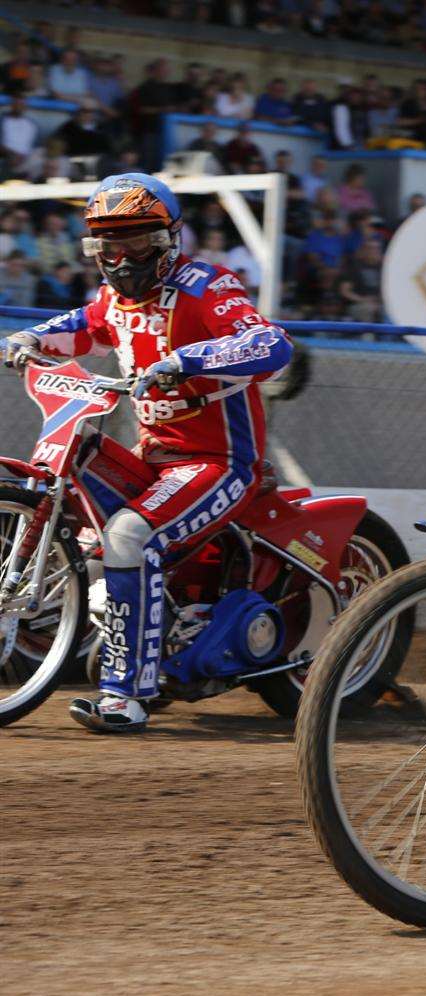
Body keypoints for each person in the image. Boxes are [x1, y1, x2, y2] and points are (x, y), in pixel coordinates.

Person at [2, 174, 292, 734]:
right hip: (155, 457)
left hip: (219, 463)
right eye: (108, 245)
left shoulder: (209, 286)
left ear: (168, 239)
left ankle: (124, 697)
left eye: (136, 241)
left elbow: (271, 342)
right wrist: (29, 339)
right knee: (88, 530)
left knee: (129, 536)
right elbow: (82, 326)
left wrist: (189, 359)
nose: (121, 255)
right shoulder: (113, 299)